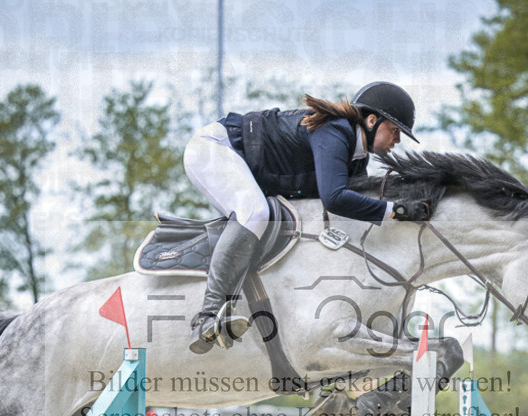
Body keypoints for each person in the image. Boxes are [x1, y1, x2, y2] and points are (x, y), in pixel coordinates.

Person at [182, 81, 429, 354]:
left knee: (263, 215)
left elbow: (351, 212)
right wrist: (395, 210)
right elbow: (334, 198)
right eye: (394, 130)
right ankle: (206, 316)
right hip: (215, 149)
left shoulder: (356, 159)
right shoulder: (335, 131)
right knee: (254, 213)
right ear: (372, 120)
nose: (398, 139)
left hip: (243, 162)